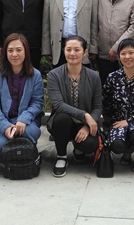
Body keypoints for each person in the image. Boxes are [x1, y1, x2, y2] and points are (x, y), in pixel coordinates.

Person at [47, 36, 102, 177]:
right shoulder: (54, 75)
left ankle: (79, 149)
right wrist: (85, 115)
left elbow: (97, 106)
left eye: (77, 50)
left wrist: (87, 125)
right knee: (62, 119)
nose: (72, 53)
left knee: (90, 145)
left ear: (85, 52)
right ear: (64, 51)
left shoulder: (94, 77)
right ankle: (61, 156)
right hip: (62, 122)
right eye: (68, 49)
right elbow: (58, 105)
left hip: (84, 124)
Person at [0, 33, 44, 157]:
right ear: (5, 52)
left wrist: (24, 119)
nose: (14, 54)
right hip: (3, 120)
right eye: (10, 50)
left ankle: (24, 152)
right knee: (0, 148)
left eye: (19, 50)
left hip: (26, 122)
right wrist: (5, 126)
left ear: (26, 51)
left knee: (31, 133)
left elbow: (37, 102)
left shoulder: (35, 75)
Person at [103, 38, 134, 173]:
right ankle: (127, 150)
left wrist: (131, 121)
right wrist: (110, 122)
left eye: (131, 53)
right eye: (123, 53)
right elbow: (106, 103)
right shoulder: (113, 78)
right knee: (117, 145)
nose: (127, 57)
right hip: (118, 121)